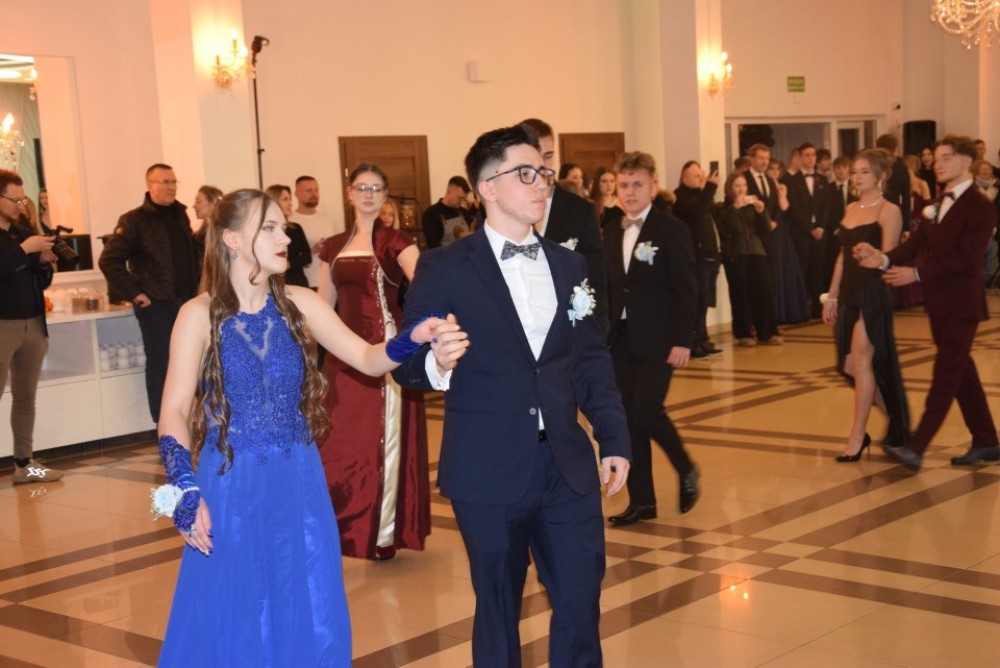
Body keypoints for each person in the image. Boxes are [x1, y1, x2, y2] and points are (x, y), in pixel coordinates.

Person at [155, 188, 460, 665]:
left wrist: (412, 338)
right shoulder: (197, 315)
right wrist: (183, 488)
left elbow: (367, 358)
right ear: (231, 239)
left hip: (297, 479)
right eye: (269, 228)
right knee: (231, 605)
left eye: (283, 227)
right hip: (229, 482)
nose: (285, 238)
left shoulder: (300, 302)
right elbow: (173, 410)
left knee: (304, 597)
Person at [393, 125, 630, 668]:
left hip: (566, 466)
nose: (541, 183)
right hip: (487, 467)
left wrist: (614, 437)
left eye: (544, 171)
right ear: (487, 187)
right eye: (526, 173)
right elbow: (406, 361)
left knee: (580, 604)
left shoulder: (569, 265)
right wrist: (438, 361)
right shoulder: (444, 266)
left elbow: (590, 360)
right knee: (497, 610)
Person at [854, 135, 999, 470]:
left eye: (946, 158)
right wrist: (883, 259)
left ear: (966, 162)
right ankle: (987, 441)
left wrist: (916, 275)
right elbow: (915, 244)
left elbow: (967, 259)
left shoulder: (981, 206)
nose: (938, 163)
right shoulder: (936, 203)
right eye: (936, 158)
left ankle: (917, 446)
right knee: (961, 371)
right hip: (939, 302)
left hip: (963, 304)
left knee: (946, 372)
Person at [316, 164, 429, 561]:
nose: (368, 194)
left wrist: (415, 333)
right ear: (349, 193)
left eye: (376, 188)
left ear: (384, 196)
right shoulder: (332, 246)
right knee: (336, 440)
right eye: (361, 187)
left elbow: (428, 288)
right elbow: (322, 306)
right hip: (341, 353)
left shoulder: (397, 242)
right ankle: (339, 529)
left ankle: (379, 534)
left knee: (379, 441)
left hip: (385, 355)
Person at [604, 150, 700, 526]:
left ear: (653, 187)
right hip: (621, 339)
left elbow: (687, 288)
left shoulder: (671, 229)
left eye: (637, 185)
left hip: (659, 338)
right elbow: (612, 286)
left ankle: (685, 467)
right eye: (623, 185)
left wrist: (684, 340)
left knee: (647, 411)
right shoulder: (612, 229)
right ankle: (642, 501)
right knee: (629, 420)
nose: (629, 192)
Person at [823, 149, 909, 461]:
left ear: (881, 176)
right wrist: (832, 296)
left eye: (864, 172)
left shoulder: (889, 210)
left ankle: (857, 436)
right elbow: (841, 257)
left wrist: (872, 255)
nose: (857, 177)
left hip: (873, 293)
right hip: (848, 293)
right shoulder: (850, 208)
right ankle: (898, 423)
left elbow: (889, 258)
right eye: (854, 172)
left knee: (861, 361)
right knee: (849, 367)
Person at [99, 163, 199, 424]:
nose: (171, 187)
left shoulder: (180, 215)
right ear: (149, 185)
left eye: (174, 181)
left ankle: (191, 420)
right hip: (156, 304)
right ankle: (163, 424)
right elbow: (109, 260)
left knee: (191, 361)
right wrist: (135, 292)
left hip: (186, 302)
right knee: (161, 362)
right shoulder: (134, 220)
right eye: (164, 182)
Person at [1, 170, 63, 484]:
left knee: (25, 397)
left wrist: (43, 263)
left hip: (33, 323)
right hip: (2, 326)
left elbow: (40, 282)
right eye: (14, 199)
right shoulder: (22, 242)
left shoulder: (22, 233)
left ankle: (25, 464)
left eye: (22, 199)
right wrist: (25, 251)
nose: (19, 205)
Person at [519, 118, 609, 330]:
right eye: (535, 155)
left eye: (548, 156)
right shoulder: (506, 207)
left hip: (568, 329)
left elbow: (595, 277)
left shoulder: (580, 211)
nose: (543, 164)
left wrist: (597, 334)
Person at [718, 172, 781, 347]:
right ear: (730, 188)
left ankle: (767, 333)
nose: (741, 189)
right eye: (737, 186)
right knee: (741, 295)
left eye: (744, 185)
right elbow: (726, 230)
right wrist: (734, 209)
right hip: (736, 255)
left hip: (757, 252)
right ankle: (743, 334)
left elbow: (766, 230)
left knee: (764, 292)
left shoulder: (752, 207)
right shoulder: (723, 208)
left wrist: (762, 213)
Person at [673, 161, 723, 357]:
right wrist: (710, 187)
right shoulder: (681, 196)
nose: (702, 179)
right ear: (685, 179)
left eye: (702, 176)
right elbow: (697, 211)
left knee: (705, 301)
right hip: (696, 257)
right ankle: (693, 342)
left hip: (710, 255)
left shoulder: (702, 196)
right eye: (697, 176)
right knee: (696, 301)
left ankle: (703, 339)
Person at [784, 142, 829, 318]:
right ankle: (801, 308)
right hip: (801, 233)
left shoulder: (822, 180)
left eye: (813, 155)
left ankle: (818, 308)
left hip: (820, 233)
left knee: (818, 270)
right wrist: (810, 228)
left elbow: (826, 206)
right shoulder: (791, 180)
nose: (811, 158)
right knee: (801, 270)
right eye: (807, 155)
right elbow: (794, 209)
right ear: (800, 157)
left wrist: (821, 227)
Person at [289, 175, 337, 287]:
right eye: (309, 191)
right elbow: (288, 259)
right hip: (304, 284)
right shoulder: (291, 222)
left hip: (330, 282)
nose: (314, 194)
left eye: (316, 190)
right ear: (296, 193)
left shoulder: (328, 220)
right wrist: (313, 250)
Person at [265, 184, 311, 288]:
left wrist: (289, 264)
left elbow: (307, 257)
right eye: (285, 199)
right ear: (274, 202)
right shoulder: (265, 230)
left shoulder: (296, 228)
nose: (290, 203)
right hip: (274, 283)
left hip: (297, 282)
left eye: (290, 199)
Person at [422, 175, 474, 249]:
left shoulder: (464, 212)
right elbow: (433, 248)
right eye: (459, 198)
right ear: (449, 190)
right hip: (443, 256)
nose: (462, 201)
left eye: (464, 198)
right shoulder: (431, 214)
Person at [191, 185, 223, 268]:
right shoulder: (197, 236)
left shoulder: (225, 234)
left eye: (198, 201)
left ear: (212, 204)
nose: (194, 206)